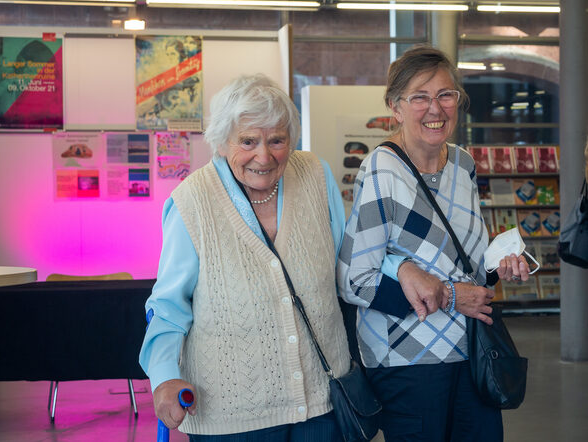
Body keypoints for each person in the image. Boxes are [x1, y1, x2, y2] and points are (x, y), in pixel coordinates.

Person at [140, 73, 359, 441]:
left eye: (277, 140)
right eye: (248, 141)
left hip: (325, 402)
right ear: (222, 142)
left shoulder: (316, 177)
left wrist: (400, 270)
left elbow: (351, 261)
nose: (264, 155)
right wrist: (163, 376)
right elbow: (167, 305)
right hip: (231, 413)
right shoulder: (191, 202)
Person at [337, 45, 530, 442]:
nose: (435, 109)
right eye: (420, 97)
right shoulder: (381, 169)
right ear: (395, 107)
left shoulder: (463, 164)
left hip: (472, 353)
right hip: (408, 363)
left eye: (446, 95)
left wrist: (499, 264)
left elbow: (470, 266)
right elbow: (354, 280)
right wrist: (449, 296)